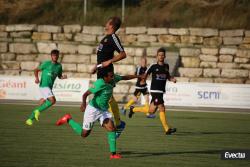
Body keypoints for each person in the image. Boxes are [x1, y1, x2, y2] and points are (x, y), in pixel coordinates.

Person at [56, 71, 142, 159]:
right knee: (84, 134)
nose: (113, 78)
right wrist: (84, 104)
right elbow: (85, 94)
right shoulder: (99, 83)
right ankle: (68, 119)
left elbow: (125, 77)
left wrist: (138, 76)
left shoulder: (112, 78)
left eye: (113, 76)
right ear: (105, 77)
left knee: (111, 128)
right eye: (111, 76)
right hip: (93, 110)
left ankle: (113, 154)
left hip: (103, 110)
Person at [91, 16, 126, 138]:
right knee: (105, 97)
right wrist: (97, 66)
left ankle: (118, 123)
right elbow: (102, 57)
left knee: (108, 97)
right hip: (101, 71)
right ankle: (114, 122)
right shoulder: (106, 38)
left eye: (107, 22)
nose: (105, 23)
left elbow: (123, 54)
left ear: (111, 25)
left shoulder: (113, 38)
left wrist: (110, 61)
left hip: (107, 72)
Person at [129, 47, 177, 135]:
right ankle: (167, 129)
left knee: (151, 111)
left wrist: (172, 79)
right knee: (162, 107)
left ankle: (133, 109)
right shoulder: (153, 66)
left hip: (161, 91)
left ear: (165, 56)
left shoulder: (166, 66)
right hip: (155, 90)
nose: (161, 56)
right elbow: (145, 74)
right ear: (157, 56)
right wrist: (142, 80)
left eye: (162, 55)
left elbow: (168, 76)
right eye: (159, 55)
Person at [25, 49, 67, 126]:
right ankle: (37, 111)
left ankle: (29, 119)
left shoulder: (59, 66)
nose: (55, 57)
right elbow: (36, 70)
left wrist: (63, 77)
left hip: (49, 87)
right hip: (44, 85)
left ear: (58, 56)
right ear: (51, 56)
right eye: (53, 55)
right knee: (53, 100)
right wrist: (37, 78)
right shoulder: (46, 64)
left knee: (42, 102)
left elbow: (59, 76)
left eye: (56, 55)